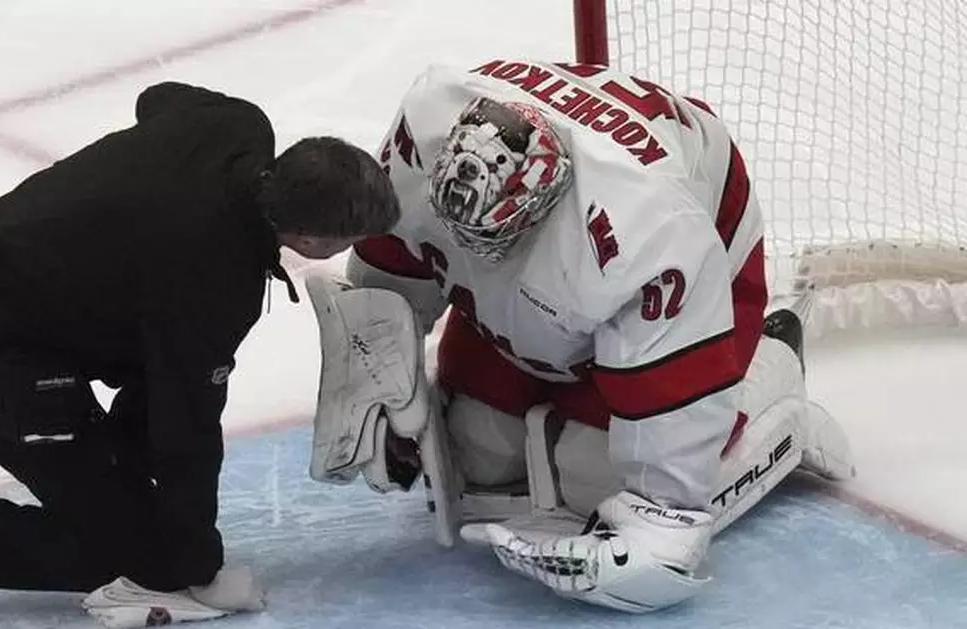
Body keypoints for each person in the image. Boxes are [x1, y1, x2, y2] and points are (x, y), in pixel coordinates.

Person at [302, 58, 855, 613]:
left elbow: (672, 422)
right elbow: (397, 270)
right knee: (480, 456)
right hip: (571, 226)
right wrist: (379, 374)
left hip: (698, 227)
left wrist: (658, 526)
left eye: (487, 239)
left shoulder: (650, 233)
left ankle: (773, 371)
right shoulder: (422, 141)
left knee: (591, 481)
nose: (467, 252)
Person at [0, 81, 400, 615]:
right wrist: (199, 571)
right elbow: (186, 428)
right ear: (307, 238)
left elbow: (157, 98)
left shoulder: (233, 126)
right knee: (149, 562)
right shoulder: (211, 280)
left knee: (148, 446)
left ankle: (114, 484)